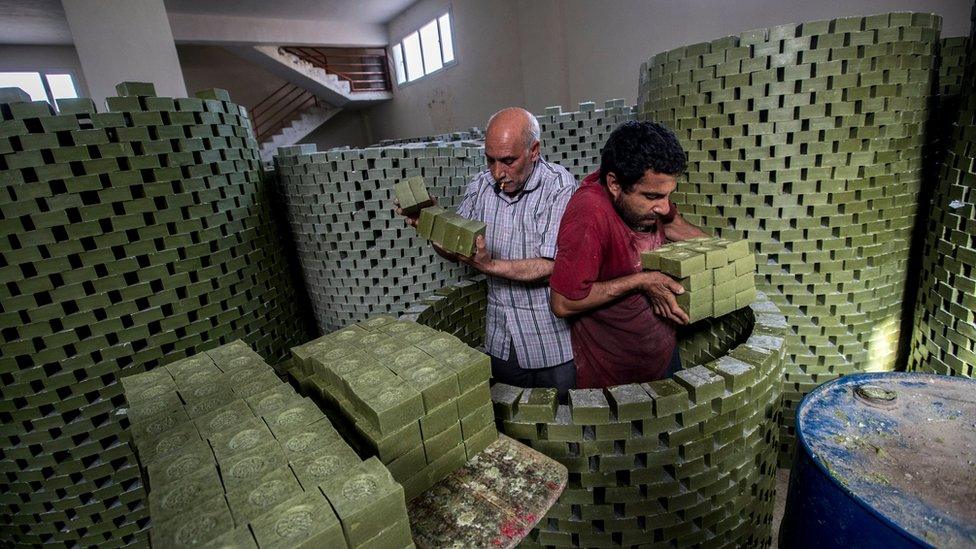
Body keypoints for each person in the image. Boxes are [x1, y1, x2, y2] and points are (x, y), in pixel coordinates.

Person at [396, 107, 578, 399]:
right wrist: (430, 223)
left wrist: (489, 265)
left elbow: (551, 265)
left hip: (551, 344)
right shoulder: (480, 186)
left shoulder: (559, 187)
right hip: (501, 341)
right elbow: (456, 248)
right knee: (510, 426)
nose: (498, 173)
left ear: (534, 151)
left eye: (508, 161)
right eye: (490, 160)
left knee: (562, 427)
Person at [549, 120, 708, 388]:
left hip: (664, 352)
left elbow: (675, 225)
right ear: (614, 183)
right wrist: (643, 281)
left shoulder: (653, 196)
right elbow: (562, 303)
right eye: (652, 196)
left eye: (668, 195)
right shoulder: (589, 215)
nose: (663, 206)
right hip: (615, 373)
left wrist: (727, 256)